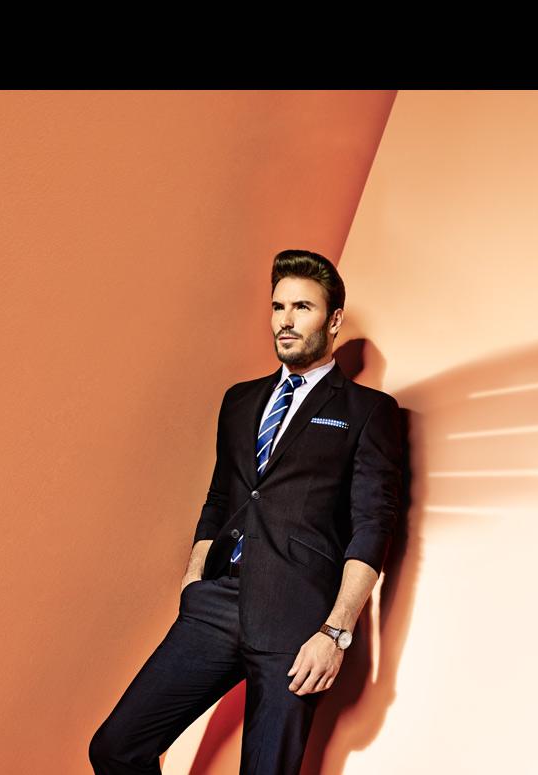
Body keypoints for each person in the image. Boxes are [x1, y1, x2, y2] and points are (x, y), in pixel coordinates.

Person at [90, 249, 402, 775]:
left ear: (333, 321)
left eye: (302, 307)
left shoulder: (368, 411)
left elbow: (373, 527)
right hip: (214, 605)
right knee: (115, 747)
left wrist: (335, 633)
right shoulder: (239, 400)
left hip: (297, 620)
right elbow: (221, 498)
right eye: (278, 306)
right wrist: (194, 581)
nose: (285, 320)